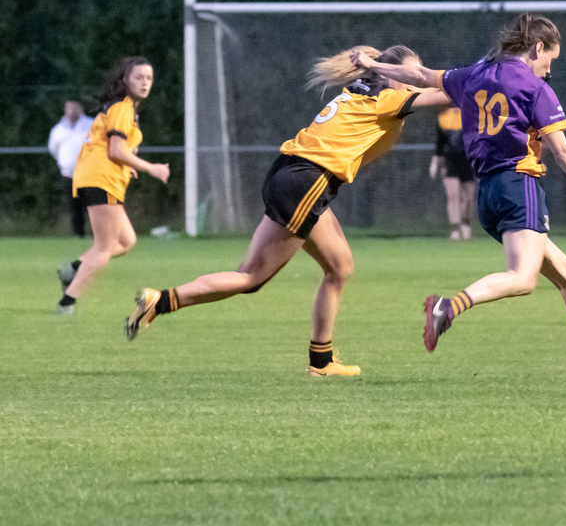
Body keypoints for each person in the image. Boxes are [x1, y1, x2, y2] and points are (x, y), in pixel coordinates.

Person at [351, 14, 566, 382]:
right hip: (518, 185)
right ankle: (449, 306)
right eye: (549, 60)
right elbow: (564, 153)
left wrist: (371, 63)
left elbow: (421, 76)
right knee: (522, 279)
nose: (549, 70)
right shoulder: (535, 89)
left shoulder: (475, 73)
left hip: (489, 195)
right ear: (537, 47)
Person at [124, 46, 450, 378]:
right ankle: (160, 301)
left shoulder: (359, 93)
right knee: (251, 277)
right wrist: (490, 80)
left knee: (339, 266)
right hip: (306, 183)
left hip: (292, 174)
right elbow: (447, 94)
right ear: (386, 73)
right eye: (409, 76)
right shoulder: (386, 100)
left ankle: (321, 362)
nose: (414, 83)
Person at [56, 58, 170, 314]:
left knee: (126, 241)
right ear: (125, 80)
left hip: (99, 176)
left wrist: (128, 165)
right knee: (104, 248)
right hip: (101, 178)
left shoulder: (126, 108)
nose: (144, 83)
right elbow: (116, 149)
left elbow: (114, 148)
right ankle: (67, 302)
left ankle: (73, 269)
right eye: (139, 77)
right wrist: (150, 167)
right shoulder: (122, 107)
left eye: (149, 78)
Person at [48, 100, 94, 238]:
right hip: (68, 174)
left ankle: (99, 234)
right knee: (74, 206)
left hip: (90, 173)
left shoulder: (91, 125)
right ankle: (78, 234)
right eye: (68, 108)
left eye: (74, 107)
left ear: (80, 108)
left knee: (93, 206)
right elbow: (53, 149)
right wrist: (65, 163)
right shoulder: (58, 129)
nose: (71, 111)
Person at [431, 106, 476, 240]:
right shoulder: (443, 118)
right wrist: (435, 163)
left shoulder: (471, 117)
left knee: (468, 197)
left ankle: (466, 224)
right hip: (449, 160)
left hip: (468, 160)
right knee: (453, 196)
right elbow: (440, 144)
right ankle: (455, 230)